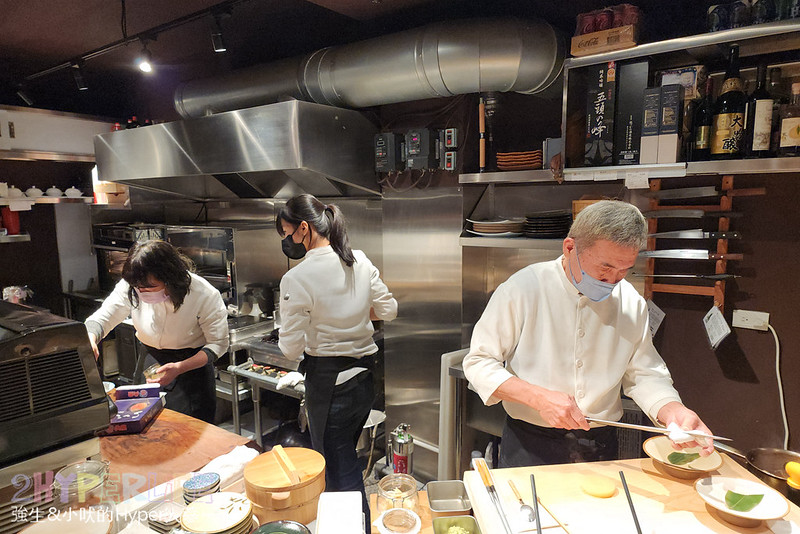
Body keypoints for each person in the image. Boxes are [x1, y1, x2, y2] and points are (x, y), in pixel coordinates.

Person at [463, 200, 715, 468]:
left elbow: (643, 373)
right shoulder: (523, 289)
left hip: (600, 443)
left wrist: (673, 411)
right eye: (604, 269)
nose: (612, 281)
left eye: (623, 271)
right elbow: (478, 362)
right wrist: (537, 397)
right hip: (529, 441)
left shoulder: (630, 301)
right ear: (570, 248)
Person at [275, 194, 397, 526]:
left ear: (304, 228)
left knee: (341, 474)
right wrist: (353, 311)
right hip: (363, 382)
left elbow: (289, 348)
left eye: (288, 234)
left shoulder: (297, 278)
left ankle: (359, 527)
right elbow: (389, 309)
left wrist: (315, 318)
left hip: (330, 386)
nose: (287, 242)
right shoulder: (359, 259)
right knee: (347, 461)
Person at [85, 240, 228, 423]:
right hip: (150, 361)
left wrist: (179, 368)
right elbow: (103, 317)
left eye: (150, 287)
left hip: (190, 368)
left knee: (186, 433)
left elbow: (218, 345)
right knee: (143, 424)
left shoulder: (203, 294)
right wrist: (91, 338)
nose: (142, 292)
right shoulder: (133, 284)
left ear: (170, 277)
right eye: (139, 288)